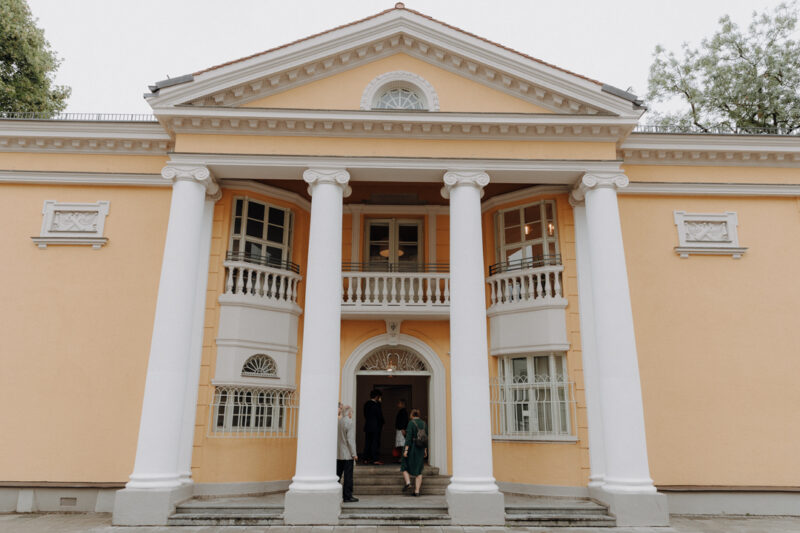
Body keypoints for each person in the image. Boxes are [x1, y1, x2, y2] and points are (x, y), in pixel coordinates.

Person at [400, 408, 428, 497]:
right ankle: (417, 491)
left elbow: (408, 438)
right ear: (418, 414)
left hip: (412, 447)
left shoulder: (411, 423)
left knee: (404, 464)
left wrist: (406, 450)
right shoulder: (424, 423)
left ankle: (408, 482)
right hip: (421, 448)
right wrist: (425, 450)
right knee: (419, 469)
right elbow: (425, 438)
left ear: (411, 415)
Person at [336, 405, 359, 502]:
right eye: (351, 413)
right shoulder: (349, 422)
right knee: (348, 476)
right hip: (347, 454)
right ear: (349, 413)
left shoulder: (339, 422)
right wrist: (354, 454)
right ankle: (347, 496)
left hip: (339, 454)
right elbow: (350, 440)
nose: (351, 414)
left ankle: (335, 493)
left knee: (337, 475)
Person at [362, 389, 384, 464]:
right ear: (377, 396)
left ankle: (366, 459)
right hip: (376, 427)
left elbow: (365, 415)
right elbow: (379, 416)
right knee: (375, 443)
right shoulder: (377, 405)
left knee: (367, 442)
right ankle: (375, 459)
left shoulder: (366, 404)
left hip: (368, 426)